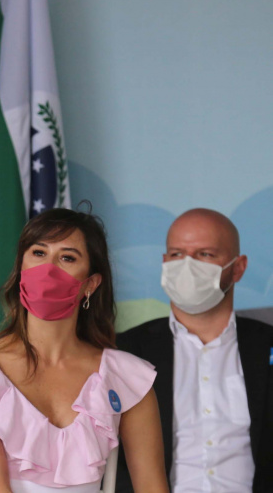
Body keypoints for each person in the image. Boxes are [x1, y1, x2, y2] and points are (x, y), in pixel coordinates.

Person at [0, 208, 168, 492]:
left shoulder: (125, 377)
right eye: (38, 253)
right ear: (20, 268)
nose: (48, 268)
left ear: (90, 284)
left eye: (67, 257)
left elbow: (153, 487)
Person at [115, 208, 273, 492]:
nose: (187, 265)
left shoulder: (267, 345)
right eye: (176, 254)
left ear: (238, 267)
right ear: (165, 262)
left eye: (205, 254)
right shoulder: (124, 351)